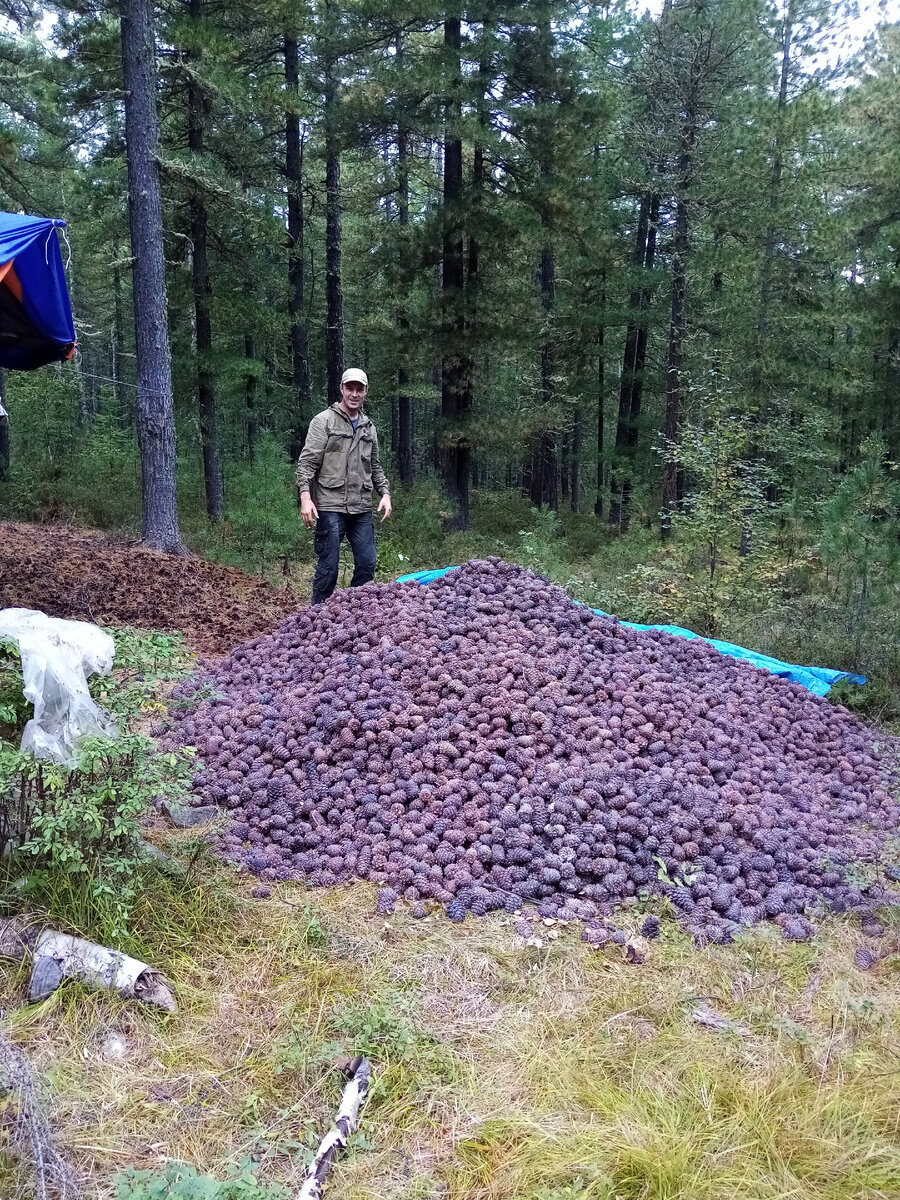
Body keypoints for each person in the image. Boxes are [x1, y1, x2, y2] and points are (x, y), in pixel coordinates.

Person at [296, 367, 392, 604]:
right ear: (341, 388)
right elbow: (307, 463)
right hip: (330, 505)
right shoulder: (323, 421)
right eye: (350, 388)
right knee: (328, 569)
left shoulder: (369, 427)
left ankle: (355, 612)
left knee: (367, 565)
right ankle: (318, 615)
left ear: (366, 392)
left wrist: (385, 493)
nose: (354, 394)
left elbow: (374, 465)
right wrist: (305, 498)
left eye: (360, 389)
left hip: (361, 507)